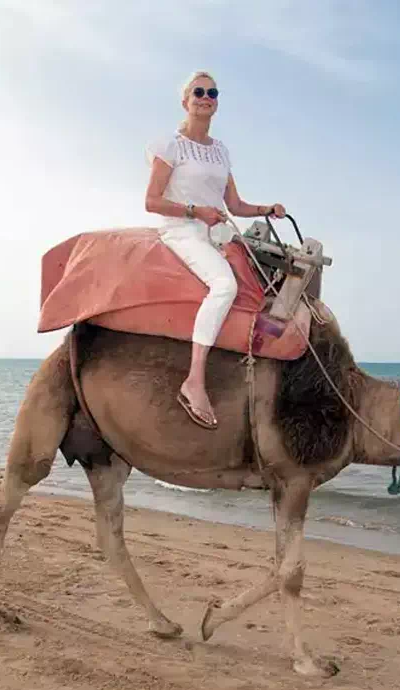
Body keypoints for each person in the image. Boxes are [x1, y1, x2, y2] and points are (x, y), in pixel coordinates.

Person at [145, 70, 286, 429]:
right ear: (185, 101)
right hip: (183, 230)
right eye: (199, 92)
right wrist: (196, 212)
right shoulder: (170, 145)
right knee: (225, 286)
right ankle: (194, 381)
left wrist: (267, 209)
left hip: (218, 232)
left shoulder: (220, 151)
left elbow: (235, 204)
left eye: (213, 92)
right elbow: (152, 201)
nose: (206, 97)